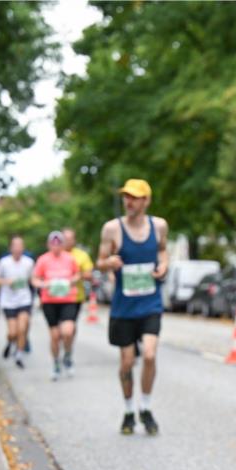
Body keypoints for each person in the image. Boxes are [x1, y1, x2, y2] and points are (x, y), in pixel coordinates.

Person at [96, 178, 168, 435]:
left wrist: (163, 265)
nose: (129, 201)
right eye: (127, 196)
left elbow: (162, 250)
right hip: (124, 308)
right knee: (127, 363)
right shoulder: (112, 229)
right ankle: (128, 411)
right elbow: (100, 261)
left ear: (146, 201)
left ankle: (145, 408)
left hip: (150, 303)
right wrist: (109, 263)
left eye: (135, 197)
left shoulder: (159, 226)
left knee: (149, 354)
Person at [32, 231, 81, 381]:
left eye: (59, 243)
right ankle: (56, 363)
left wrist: (71, 281)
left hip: (68, 299)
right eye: (53, 244)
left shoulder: (70, 259)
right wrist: (43, 284)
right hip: (50, 301)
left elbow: (78, 274)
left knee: (67, 332)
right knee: (54, 336)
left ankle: (67, 355)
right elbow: (35, 279)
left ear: (63, 244)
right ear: (49, 245)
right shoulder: (43, 260)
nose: (56, 246)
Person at [0, 235, 34, 369]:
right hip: (8, 301)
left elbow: (32, 279)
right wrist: (7, 282)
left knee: (22, 329)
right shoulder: (4, 262)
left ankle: (19, 355)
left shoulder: (29, 262)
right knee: (13, 333)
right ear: (11, 248)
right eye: (15, 246)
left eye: (20, 246)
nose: (18, 248)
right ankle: (10, 343)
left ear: (23, 248)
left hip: (24, 299)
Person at [63, 227, 95, 353]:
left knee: (69, 328)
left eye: (69, 239)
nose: (67, 241)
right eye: (64, 238)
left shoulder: (81, 255)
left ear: (74, 240)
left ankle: (68, 349)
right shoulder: (55, 254)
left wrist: (78, 276)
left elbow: (89, 274)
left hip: (74, 297)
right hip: (55, 298)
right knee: (59, 331)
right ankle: (64, 346)